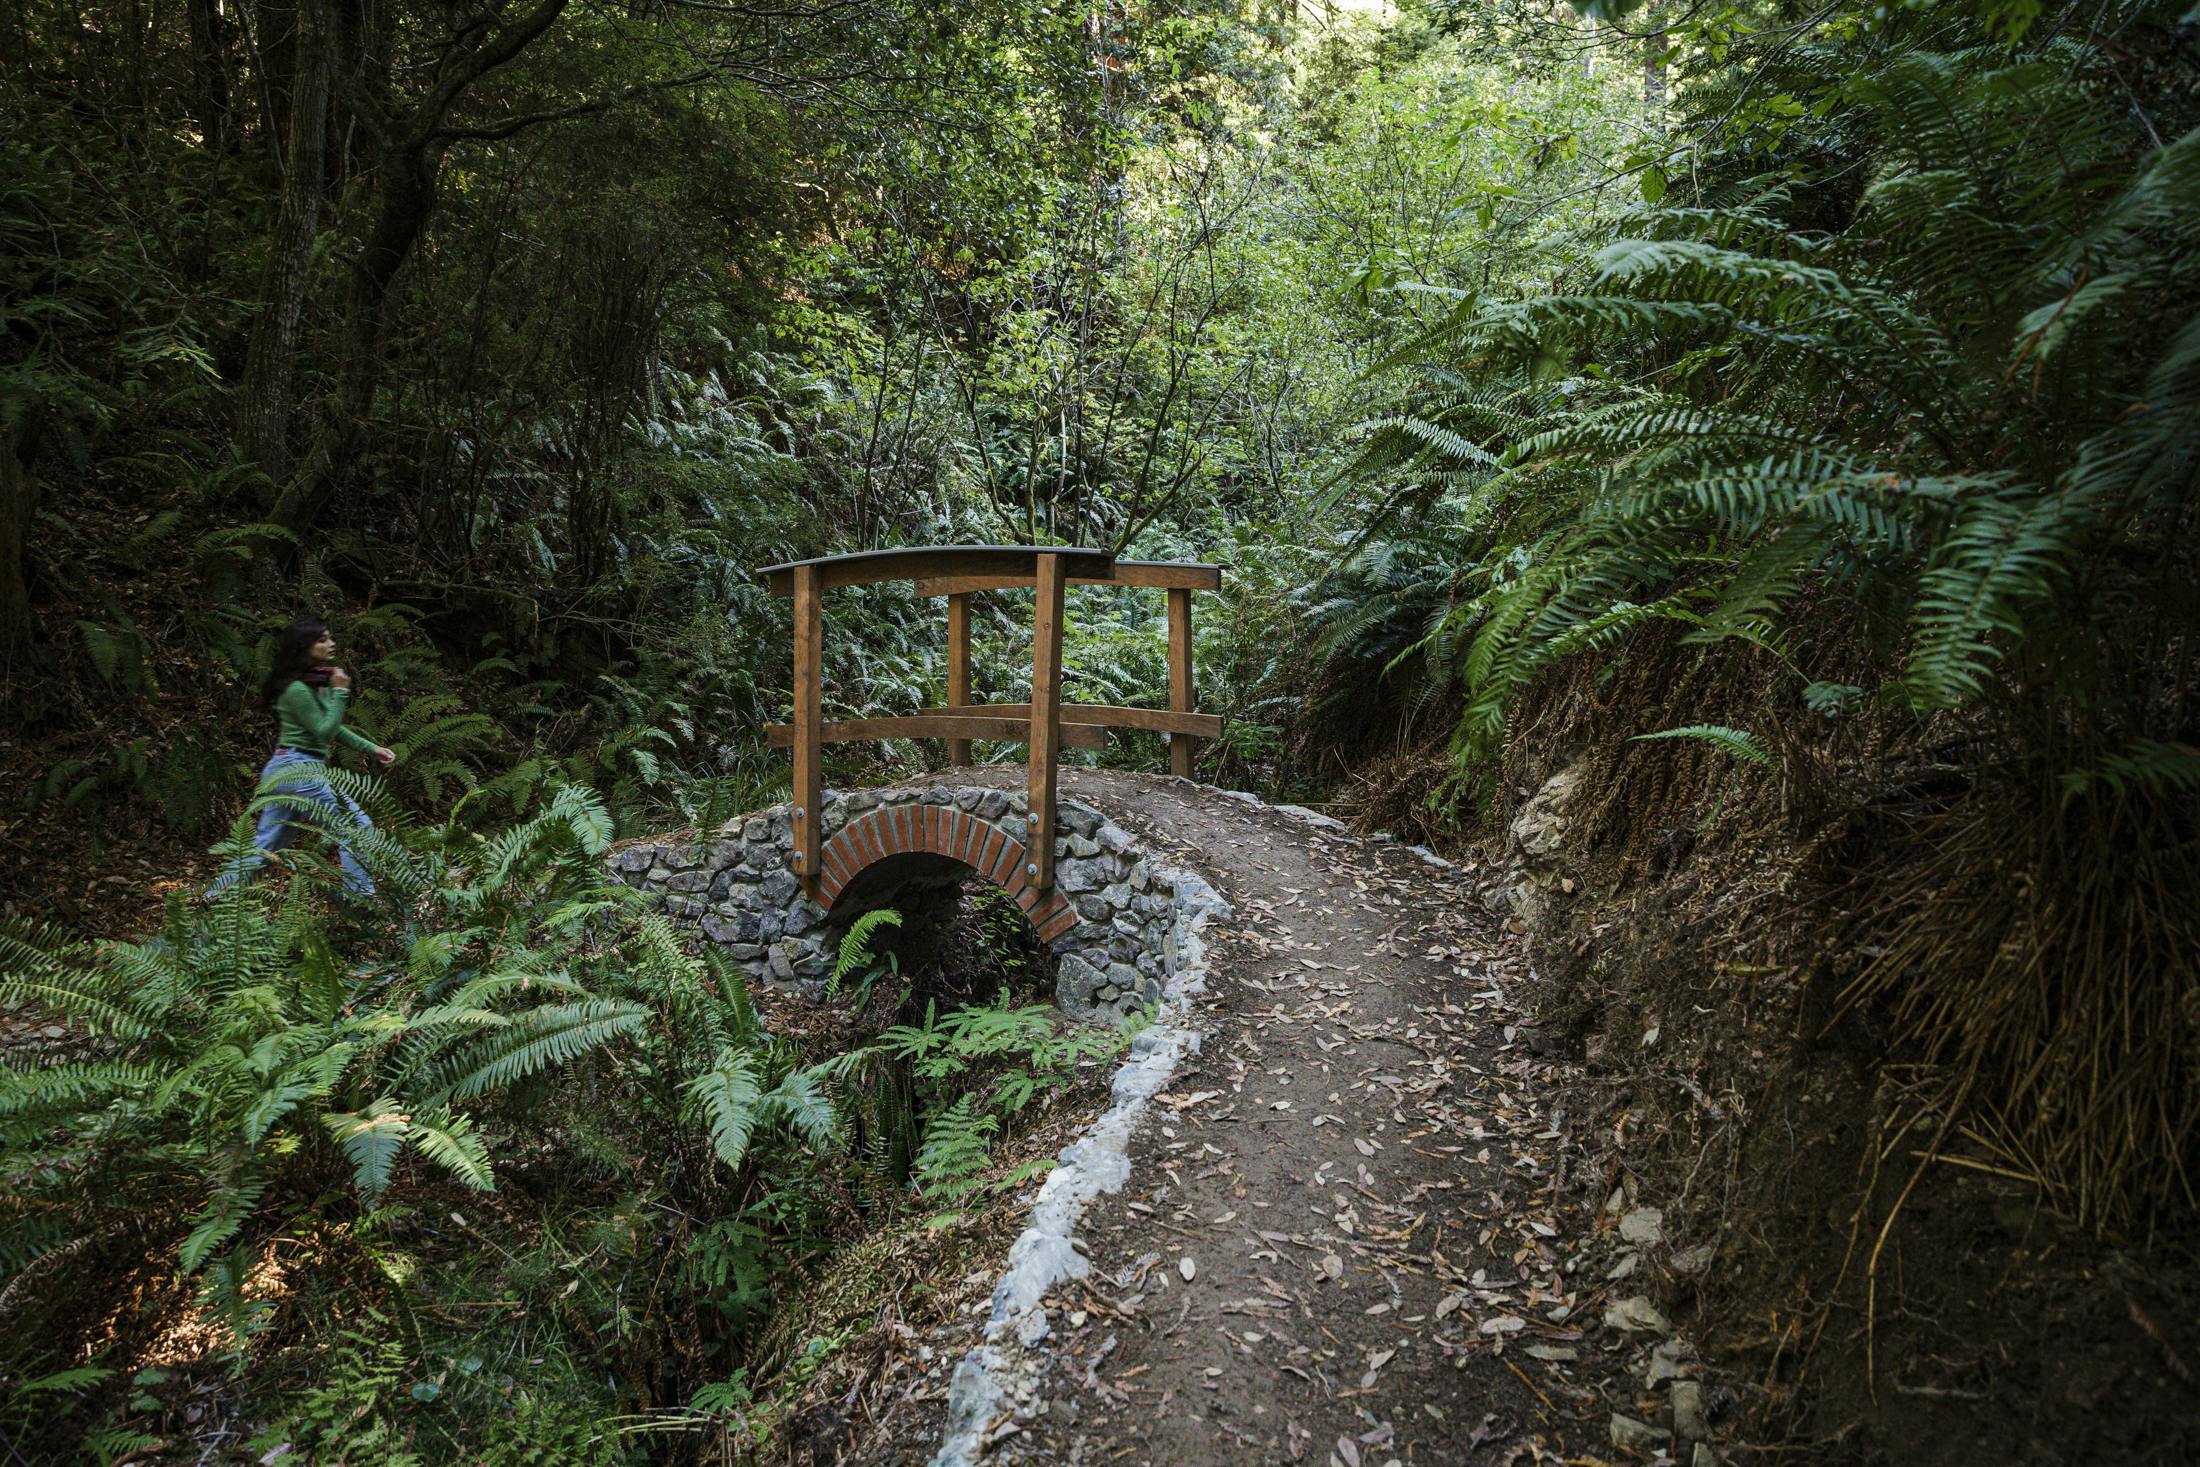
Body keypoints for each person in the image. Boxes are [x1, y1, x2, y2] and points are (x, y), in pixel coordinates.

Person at [206, 618, 396, 899]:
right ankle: (361, 900)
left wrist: (371, 748)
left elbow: (333, 728)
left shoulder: (314, 682)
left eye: (330, 638)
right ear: (303, 647)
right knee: (356, 827)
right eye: (321, 640)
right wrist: (341, 693)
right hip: (298, 770)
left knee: (267, 845)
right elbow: (323, 731)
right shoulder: (296, 689)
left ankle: (214, 898)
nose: (331, 644)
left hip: (287, 769)